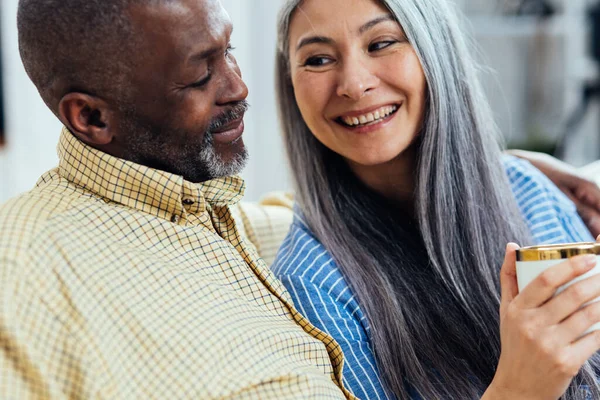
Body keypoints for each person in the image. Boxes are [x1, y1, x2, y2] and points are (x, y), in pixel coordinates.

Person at [0, 0, 357, 398]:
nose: (238, 87)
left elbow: (326, 220)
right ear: (92, 118)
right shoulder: (23, 278)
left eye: (229, 52)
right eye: (201, 75)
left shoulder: (217, 216)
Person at [271, 0, 600, 399]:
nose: (354, 84)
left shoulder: (528, 190)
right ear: (290, 82)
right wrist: (519, 389)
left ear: (435, 49)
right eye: (318, 59)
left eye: (381, 43)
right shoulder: (311, 283)